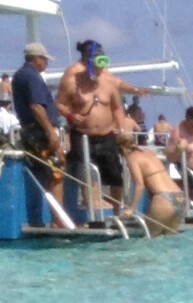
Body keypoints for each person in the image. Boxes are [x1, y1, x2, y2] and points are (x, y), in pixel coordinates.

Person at [54, 38, 131, 210]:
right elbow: (59, 103)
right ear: (87, 63)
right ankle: (92, 207)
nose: (100, 70)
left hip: (107, 135)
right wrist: (70, 115)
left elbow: (117, 108)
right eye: (96, 66)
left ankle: (118, 211)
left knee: (115, 174)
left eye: (102, 65)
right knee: (88, 171)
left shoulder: (108, 81)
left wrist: (122, 129)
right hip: (83, 134)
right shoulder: (72, 80)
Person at [10, 41, 63, 225]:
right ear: (36, 59)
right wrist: (50, 132)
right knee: (55, 173)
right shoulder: (31, 77)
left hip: (30, 131)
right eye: (44, 60)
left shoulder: (19, 75)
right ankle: (57, 220)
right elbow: (36, 106)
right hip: (39, 132)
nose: (46, 64)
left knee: (44, 173)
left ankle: (49, 218)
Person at [124, 142, 186, 234]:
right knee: (169, 239)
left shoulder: (132, 158)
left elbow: (139, 185)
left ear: (122, 149)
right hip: (180, 197)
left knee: (150, 238)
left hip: (163, 198)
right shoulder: (148, 153)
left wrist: (130, 208)